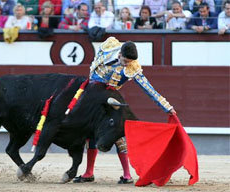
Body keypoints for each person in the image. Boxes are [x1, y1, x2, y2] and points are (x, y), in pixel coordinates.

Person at [73, 36, 176, 184]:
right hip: (93, 97)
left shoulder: (133, 68)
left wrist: (167, 107)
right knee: (91, 134)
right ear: (120, 54)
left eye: (130, 62)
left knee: (117, 135)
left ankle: (127, 175)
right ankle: (89, 172)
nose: (128, 64)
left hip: (111, 100)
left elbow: (149, 89)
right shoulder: (109, 45)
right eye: (125, 61)